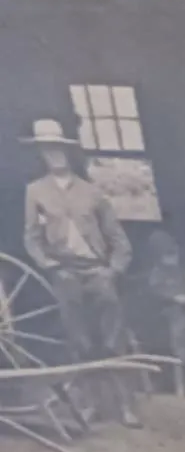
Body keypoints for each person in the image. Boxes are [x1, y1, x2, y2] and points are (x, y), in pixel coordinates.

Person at [21, 118, 141, 428]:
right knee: (79, 340)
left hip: (97, 271)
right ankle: (89, 404)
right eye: (47, 149)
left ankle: (125, 406)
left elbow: (119, 240)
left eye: (58, 148)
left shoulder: (92, 192)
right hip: (65, 273)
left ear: (68, 152)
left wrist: (112, 271)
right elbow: (31, 238)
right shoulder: (35, 192)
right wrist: (50, 267)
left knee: (114, 338)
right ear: (40, 154)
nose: (54, 155)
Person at [146, 227, 185, 398]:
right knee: (179, 353)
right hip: (172, 320)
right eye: (168, 253)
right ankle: (180, 386)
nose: (173, 256)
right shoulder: (156, 275)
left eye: (174, 252)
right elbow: (157, 295)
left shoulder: (184, 273)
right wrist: (176, 299)